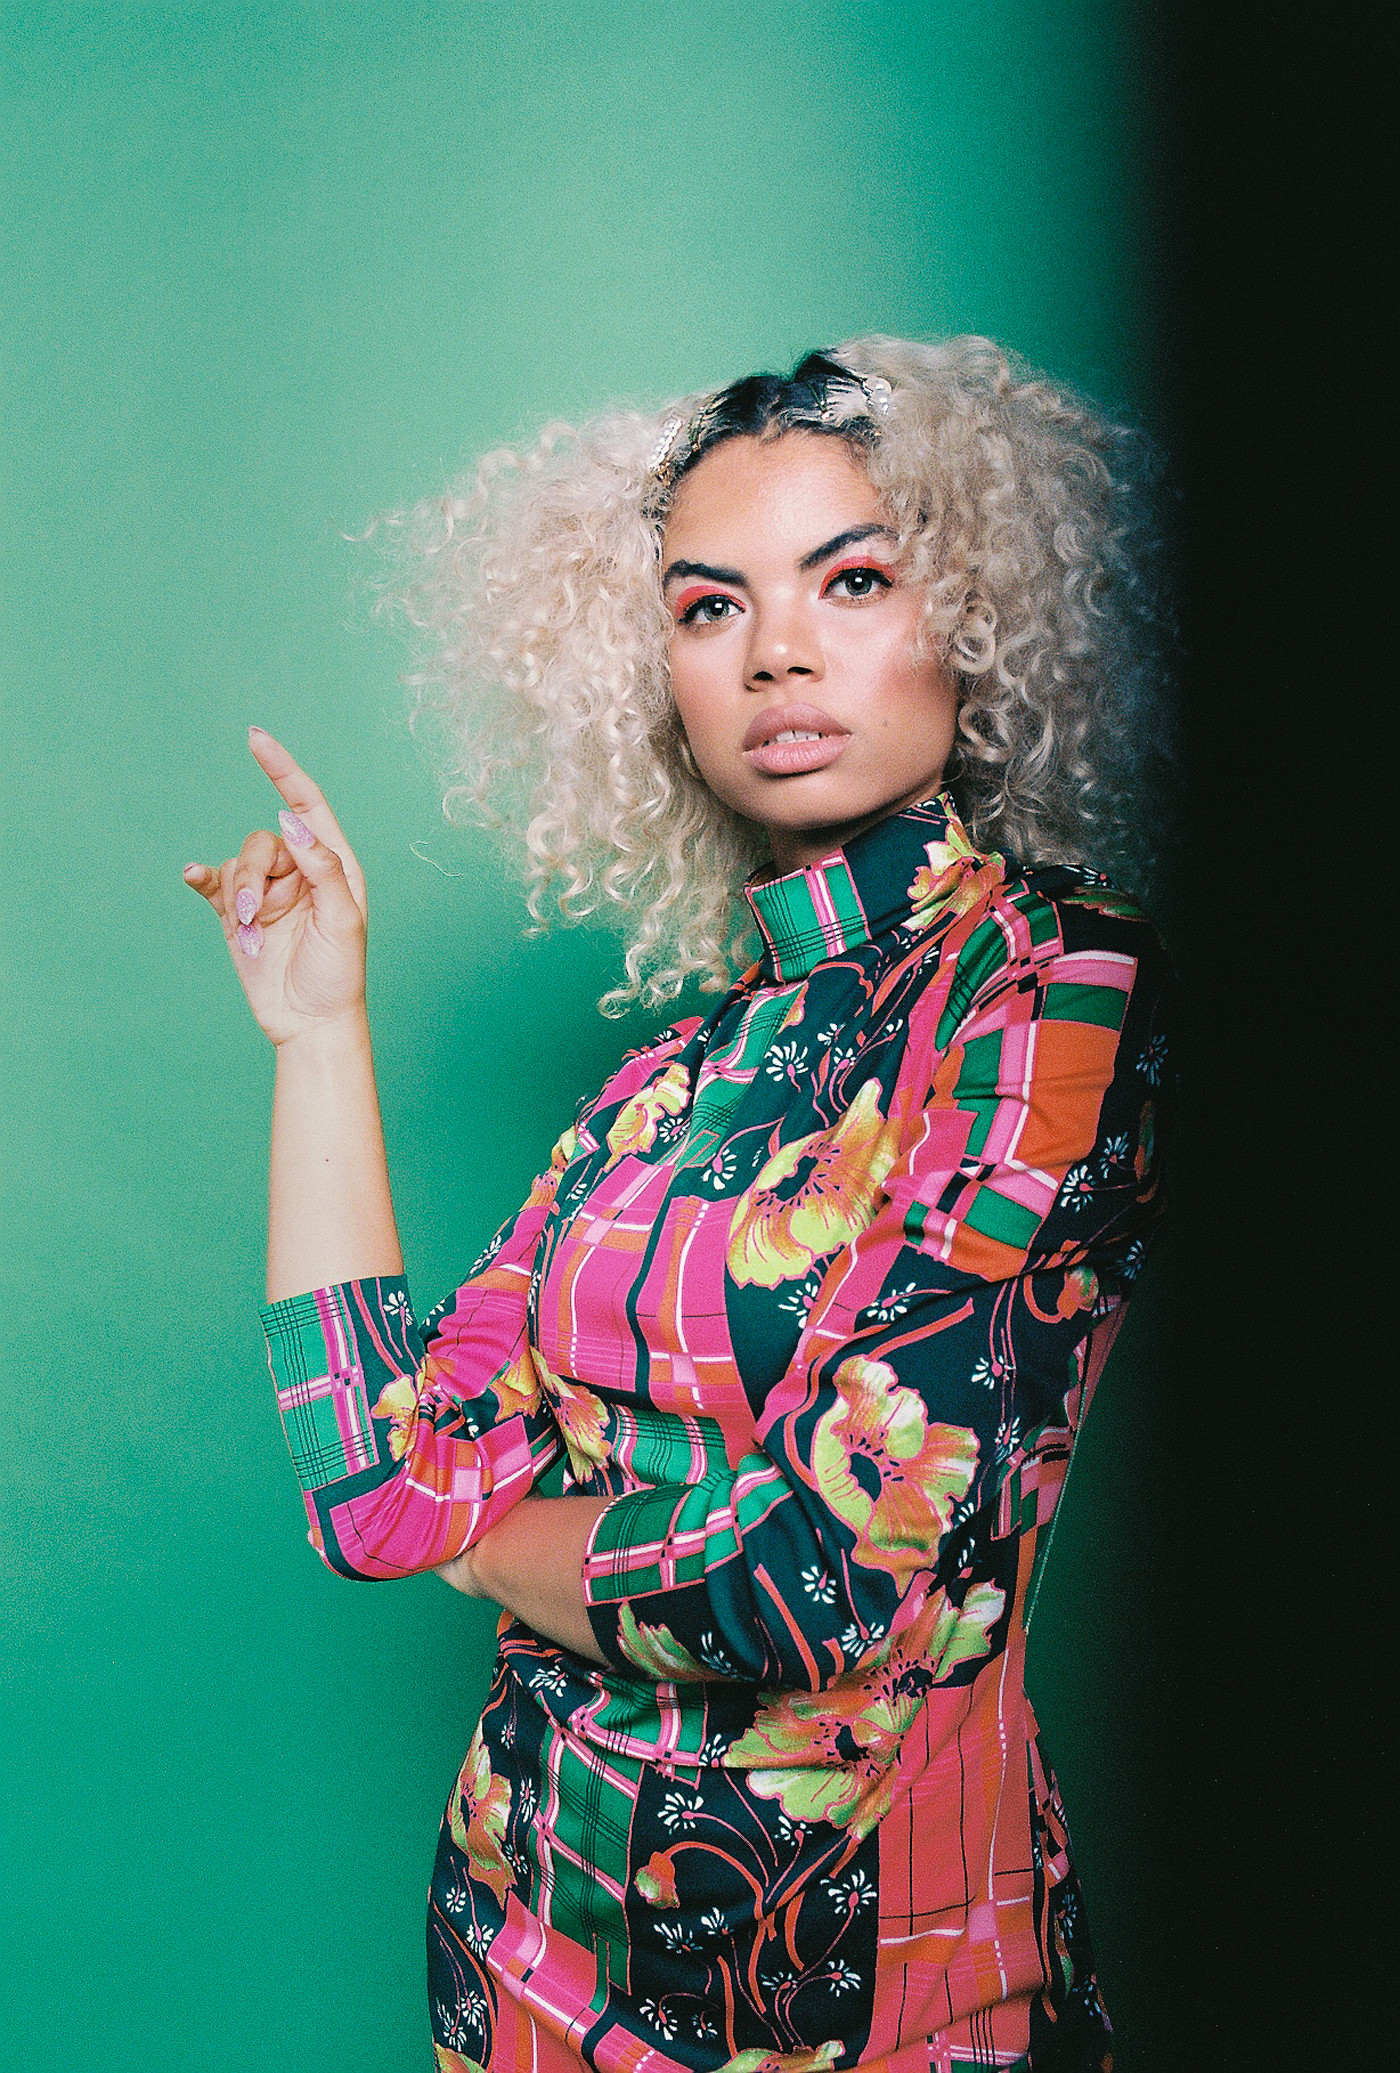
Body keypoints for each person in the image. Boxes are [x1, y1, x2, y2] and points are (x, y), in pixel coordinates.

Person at [185, 338, 1174, 2073]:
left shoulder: (1057, 992)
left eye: (852, 580)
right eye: (711, 606)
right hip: (520, 1967)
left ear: (978, 612)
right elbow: (378, 1486)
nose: (777, 649)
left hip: (889, 1997)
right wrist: (318, 1032)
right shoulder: (666, 1089)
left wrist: (488, 1544)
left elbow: (817, 1578)